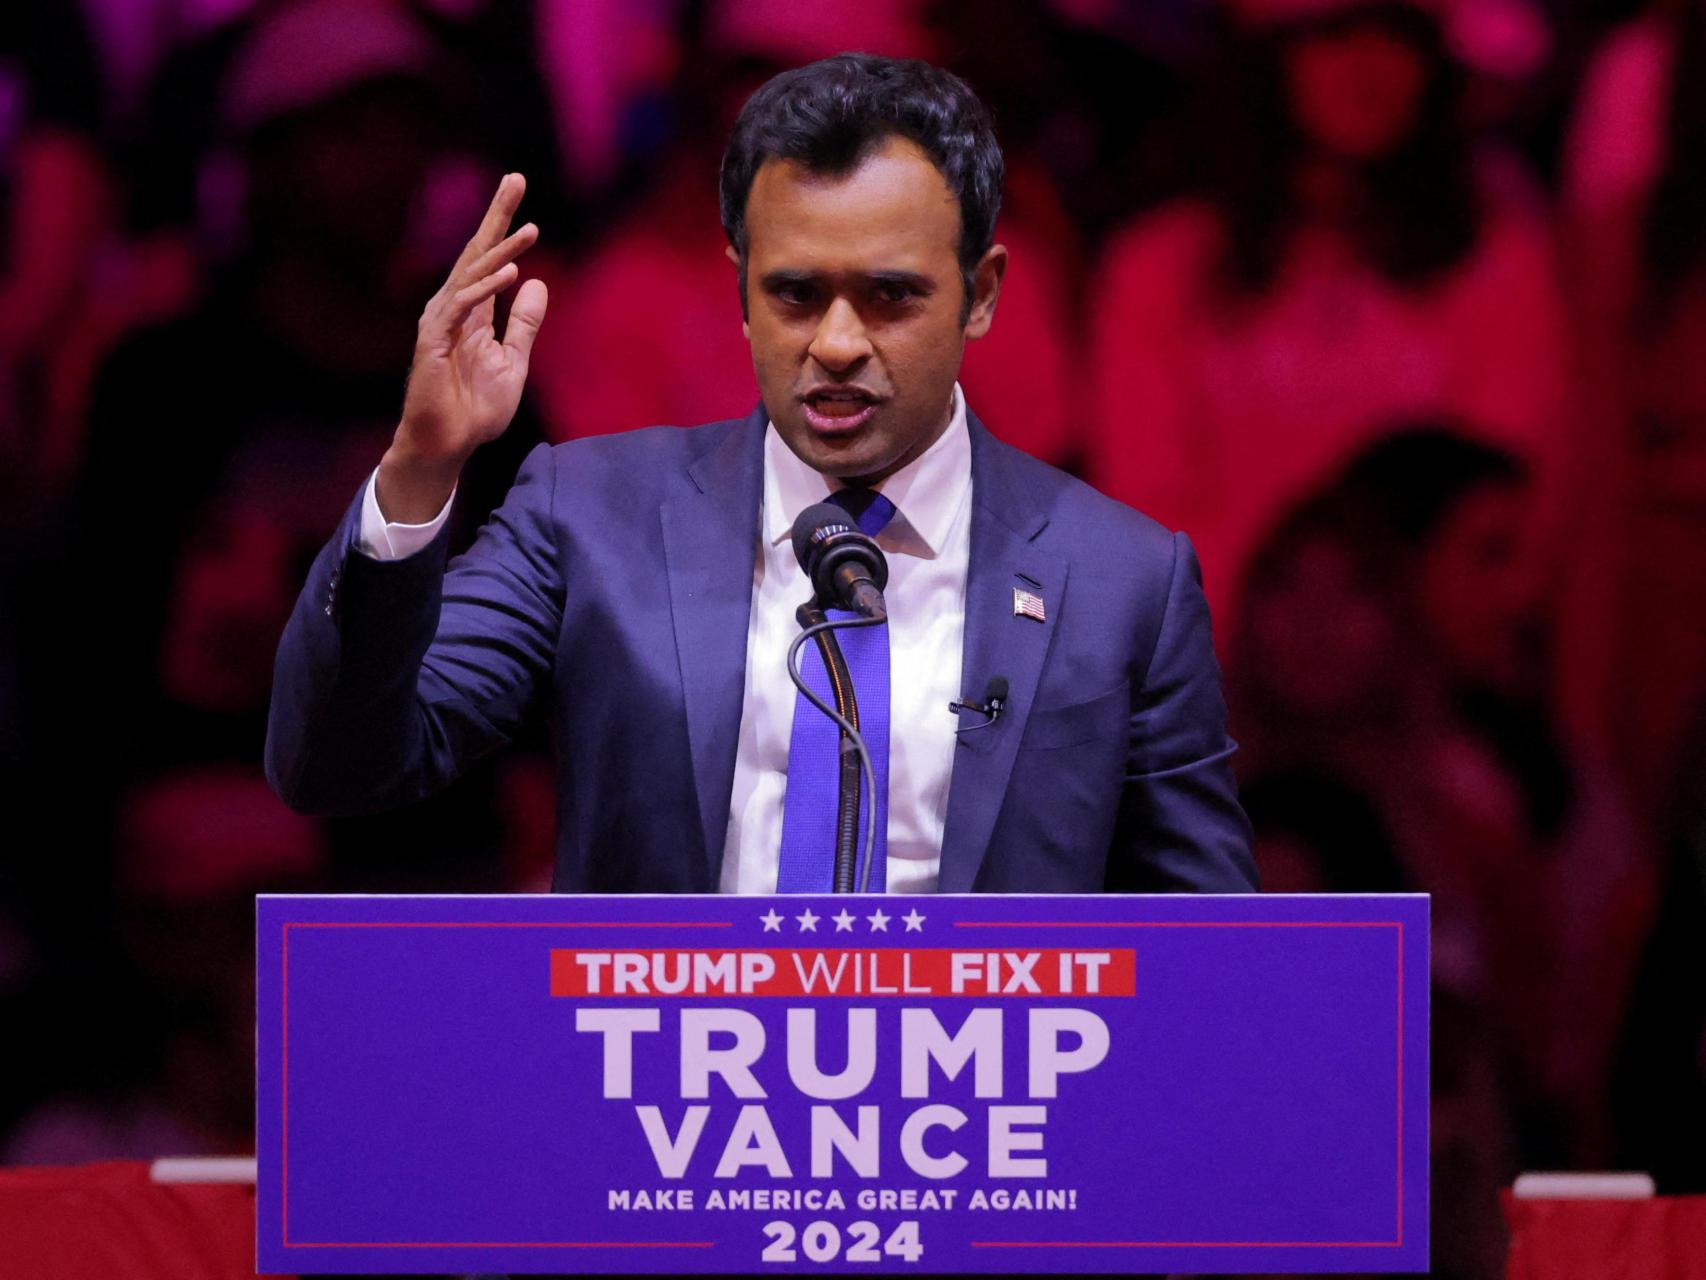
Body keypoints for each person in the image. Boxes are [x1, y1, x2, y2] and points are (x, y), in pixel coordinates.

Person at [265, 53, 1256, 897]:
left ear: (981, 294)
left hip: (986, 1110)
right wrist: (418, 470)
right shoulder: (590, 516)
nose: (834, 342)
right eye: (792, 294)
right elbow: (339, 762)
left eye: (889, 296)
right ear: (739, 290)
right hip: (663, 1108)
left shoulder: (1122, 577)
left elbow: (1212, 956)